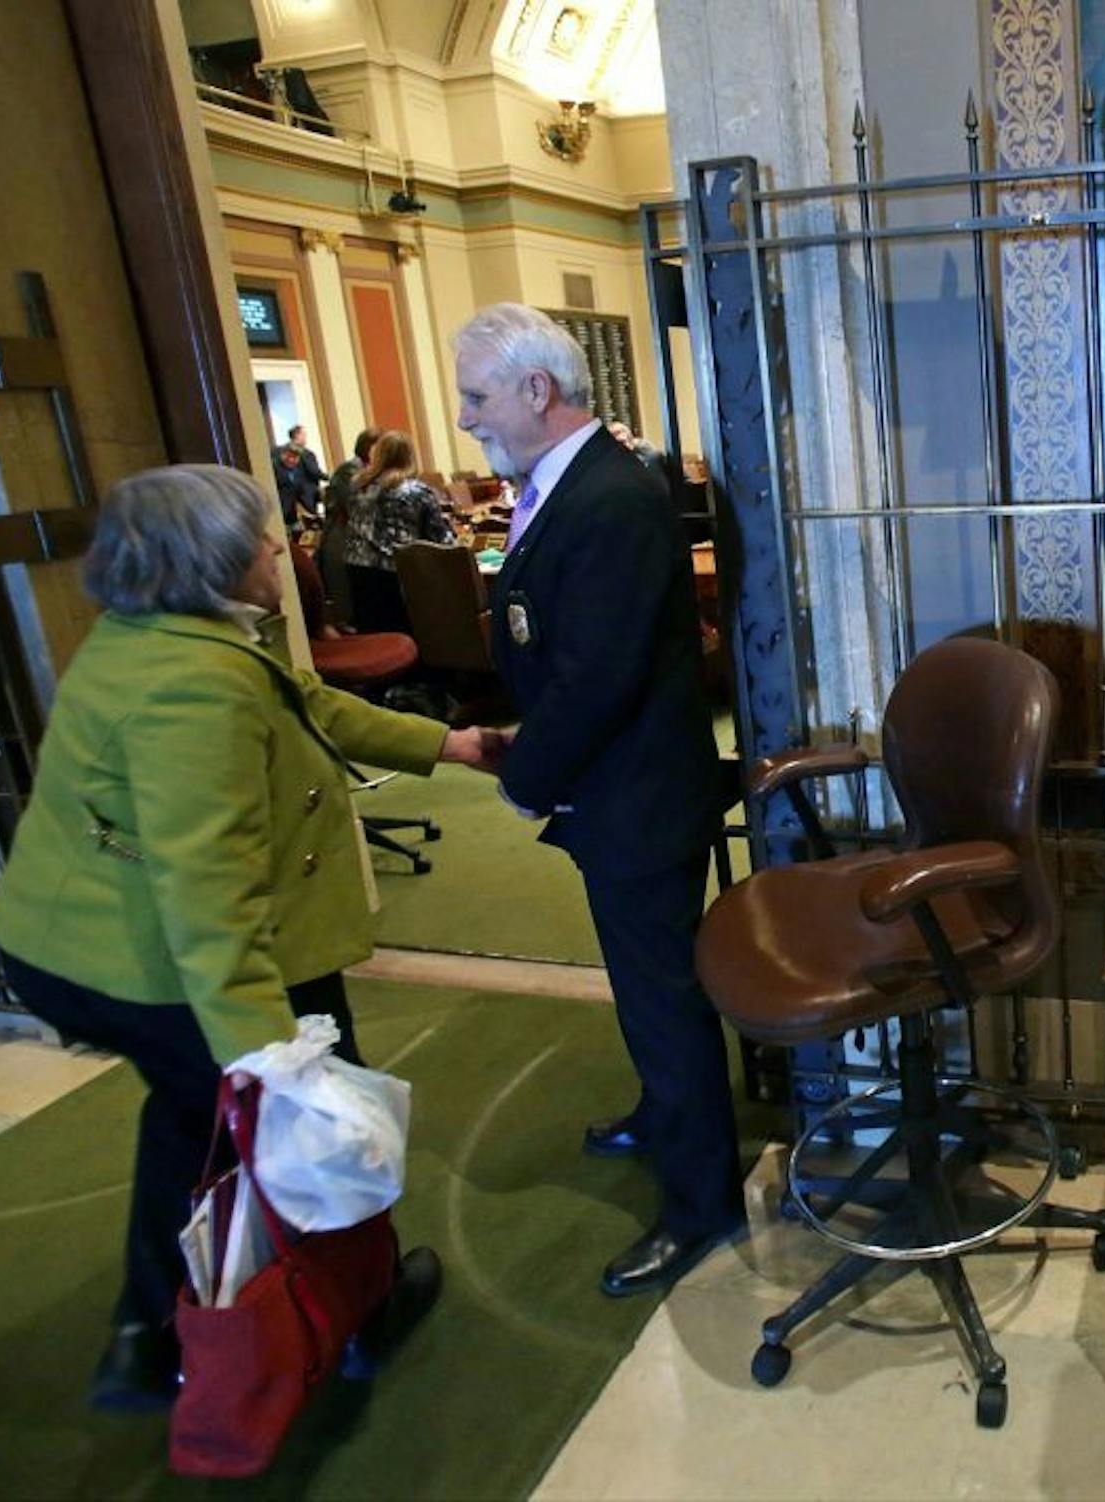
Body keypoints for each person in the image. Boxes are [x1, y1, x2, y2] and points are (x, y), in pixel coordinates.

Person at [0, 465, 505, 1410]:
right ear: (213, 560)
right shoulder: (196, 687)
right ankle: (343, 1309)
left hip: (69, 941)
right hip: (154, 959)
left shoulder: (157, 636)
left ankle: (146, 1340)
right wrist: (270, 1054)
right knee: (312, 1126)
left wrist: (447, 746)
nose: (278, 548)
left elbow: (305, 703)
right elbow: (205, 889)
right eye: (262, 538)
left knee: (193, 1118)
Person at [453, 302, 741, 1297]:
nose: (464, 416)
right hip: (614, 791)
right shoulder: (568, 483)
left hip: (640, 798)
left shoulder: (609, 498)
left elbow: (600, 674)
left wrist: (526, 774)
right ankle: (665, 1117)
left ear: (538, 390)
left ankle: (705, 1205)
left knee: (664, 999)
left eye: (477, 395)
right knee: (642, 983)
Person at [343, 430, 456, 635]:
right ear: (409, 457)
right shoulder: (416, 491)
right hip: (399, 576)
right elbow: (443, 541)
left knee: (374, 636)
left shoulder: (357, 487)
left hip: (357, 571)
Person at [317, 426, 383, 619]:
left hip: (357, 544)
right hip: (342, 544)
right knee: (356, 609)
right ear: (369, 448)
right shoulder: (349, 472)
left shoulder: (367, 471)